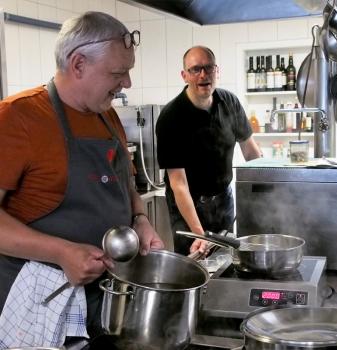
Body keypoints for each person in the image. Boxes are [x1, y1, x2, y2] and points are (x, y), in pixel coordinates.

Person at [0, 11, 164, 347]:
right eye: (119, 73)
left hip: (105, 300)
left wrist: (141, 219)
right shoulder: (18, 118)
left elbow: (127, 185)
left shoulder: (108, 115)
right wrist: (61, 252)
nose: (127, 84)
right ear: (78, 65)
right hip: (40, 304)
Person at [156, 45, 261, 256]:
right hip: (188, 206)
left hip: (223, 198)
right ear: (184, 75)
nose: (203, 75)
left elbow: (252, 155)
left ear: (217, 71)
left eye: (208, 68)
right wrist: (198, 233)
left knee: (226, 260)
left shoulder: (229, 102)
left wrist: (264, 198)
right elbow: (179, 185)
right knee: (195, 264)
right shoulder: (171, 117)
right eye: (195, 69)